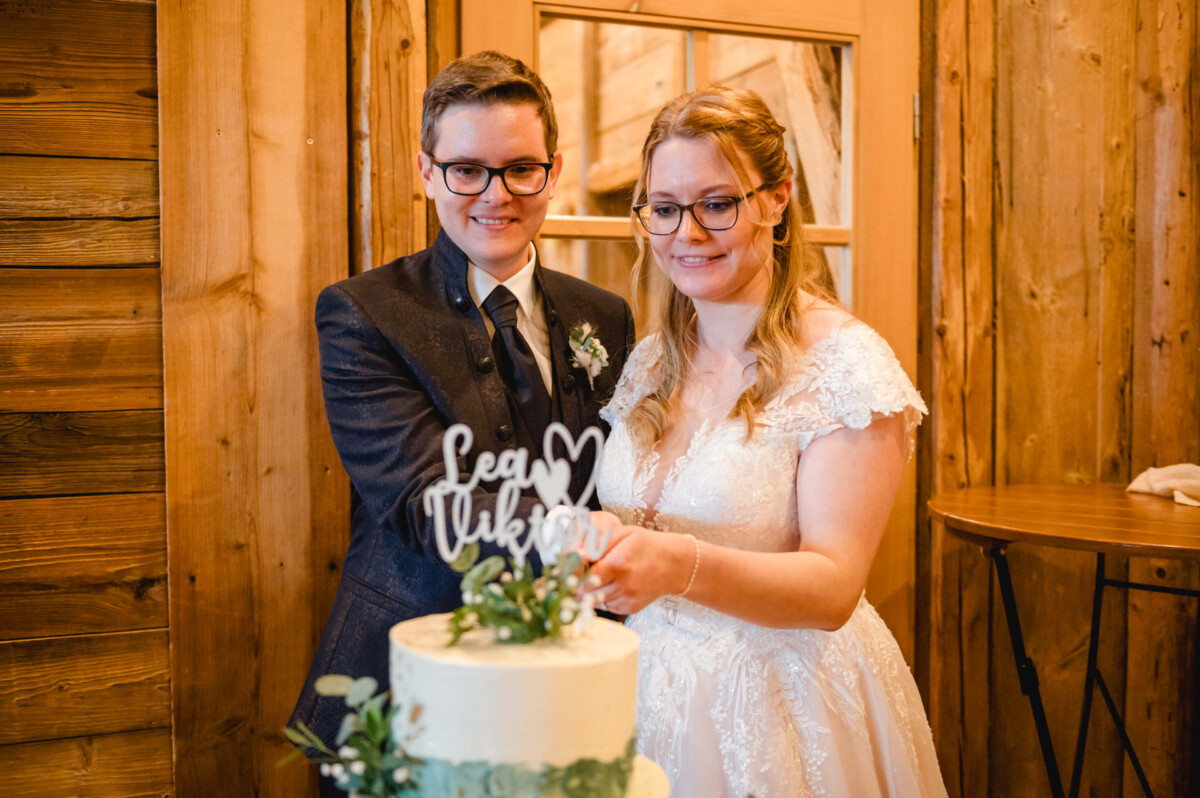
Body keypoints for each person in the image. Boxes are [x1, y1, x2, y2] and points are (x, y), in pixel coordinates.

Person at [587, 87, 947, 797]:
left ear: (777, 199)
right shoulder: (653, 360)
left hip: (778, 712)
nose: (687, 233)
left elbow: (834, 587)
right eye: (664, 209)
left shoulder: (845, 365)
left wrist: (675, 563)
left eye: (717, 204)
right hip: (637, 691)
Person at [289, 51, 635, 785]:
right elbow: (424, 501)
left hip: (576, 676)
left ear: (552, 171)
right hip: (411, 682)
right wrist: (576, 536)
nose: (496, 195)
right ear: (426, 172)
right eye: (467, 170)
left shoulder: (606, 316)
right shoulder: (363, 314)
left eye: (521, 169)